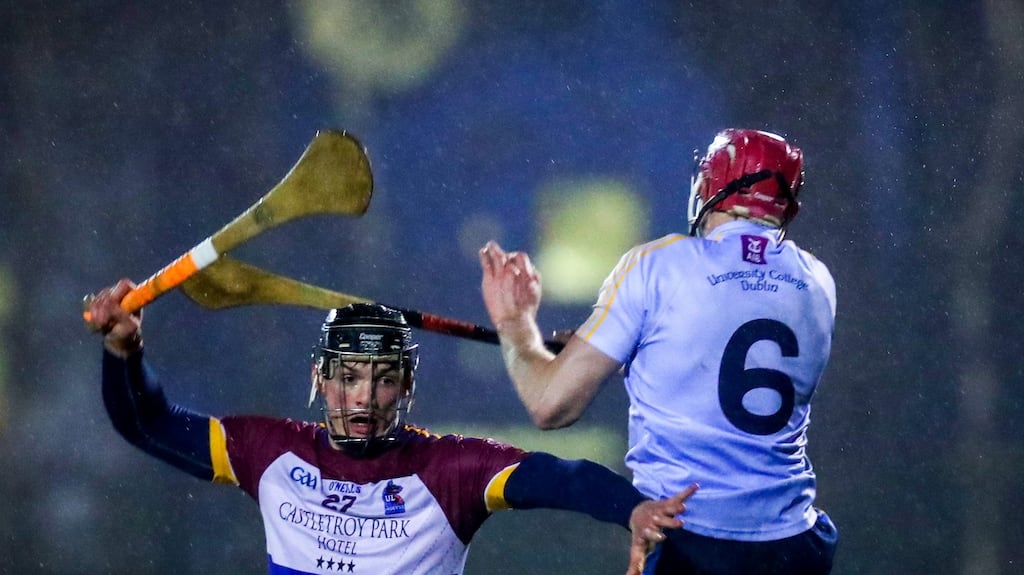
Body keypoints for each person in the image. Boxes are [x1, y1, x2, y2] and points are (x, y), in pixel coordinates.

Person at [85, 284, 697, 575]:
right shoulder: (268, 451)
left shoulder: (450, 470)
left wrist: (631, 510)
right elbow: (147, 424)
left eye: (382, 380)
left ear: (405, 389)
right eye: (348, 377)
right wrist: (124, 351)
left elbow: (559, 477)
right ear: (320, 379)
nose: (364, 398)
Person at [478, 129, 839, 574]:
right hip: (793, 546)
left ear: (710, 186)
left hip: (693, 540)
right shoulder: (818, 281)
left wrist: (515, 326)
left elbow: (550, 406)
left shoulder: (657, 266)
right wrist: (629, 344)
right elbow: (721, 346)